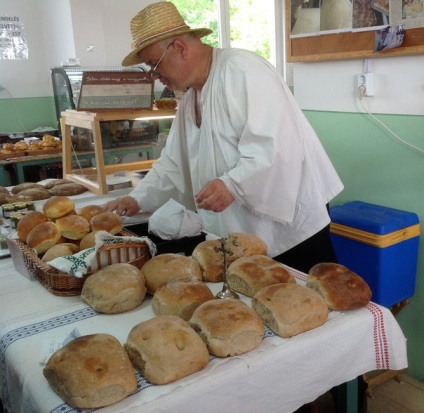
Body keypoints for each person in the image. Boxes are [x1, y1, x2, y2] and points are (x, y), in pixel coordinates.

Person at [105, 2, 344, 274]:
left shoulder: (242, 70)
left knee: (310, 305)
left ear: (180, 48)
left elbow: (278, 147)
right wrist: (137, 199)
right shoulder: (189, 99)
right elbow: (172, 163)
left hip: (291, 228)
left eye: (153, 65)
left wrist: (232, 185)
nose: (154, 76)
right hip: (246, 235)